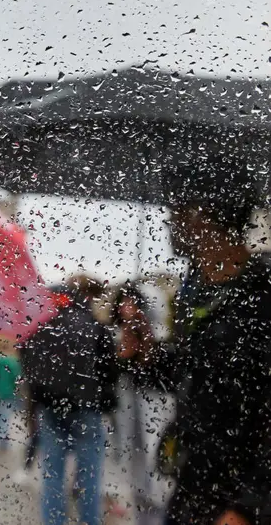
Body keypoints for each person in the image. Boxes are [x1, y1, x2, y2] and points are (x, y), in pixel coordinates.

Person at [132, 187, 271, 525]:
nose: (169, 221)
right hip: (195, 483)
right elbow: (192, 376)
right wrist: (146, 354)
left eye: (178, 208)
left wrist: (250, 505)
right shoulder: (203, 292)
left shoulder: (262, 295)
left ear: (203, 216)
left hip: (240, 500)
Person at [21, 276, 118, 525]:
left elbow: (27, 363)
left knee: (52, 474)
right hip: (87, 408)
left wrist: (38, 399)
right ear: (87, 296)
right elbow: (109, 370)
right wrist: (106, 402)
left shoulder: (43, 322)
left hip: (50, 406)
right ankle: (89, 520)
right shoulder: (93, 324)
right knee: (90, 476)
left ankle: (54, 521)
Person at [110, 282, 163, 525]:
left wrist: (142, 343)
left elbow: (155, 362)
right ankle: (129, 491)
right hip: (123, 394)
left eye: (131, 301)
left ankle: (148, 491)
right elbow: (114, 364)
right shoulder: (115, 331)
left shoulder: (147, 328)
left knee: (147, 443)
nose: (126, 306)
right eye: (123, 302)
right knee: (125, 443)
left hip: (146, 394)